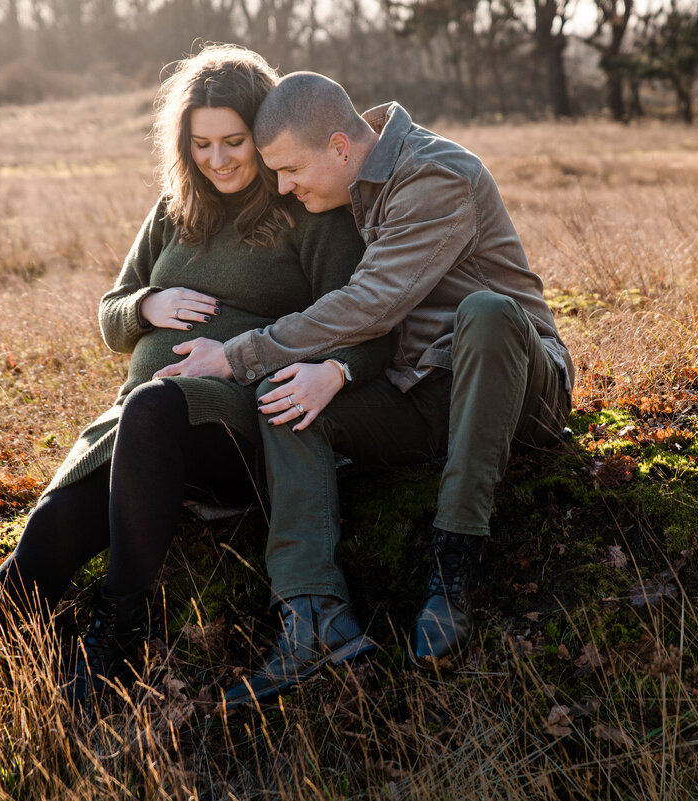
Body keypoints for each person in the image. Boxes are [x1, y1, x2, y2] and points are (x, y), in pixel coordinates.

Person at [0, 47, 386, 729]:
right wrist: (148, 305)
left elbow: (356, 320)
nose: (218, 159)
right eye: (201, 144)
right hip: (143, 423)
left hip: (237, 422)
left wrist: (250, 356)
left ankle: (120, 632)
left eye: (234, 141)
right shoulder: (176, 209)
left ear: (263, 132)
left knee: (152, 405)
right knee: (54, 525)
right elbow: (111, 314)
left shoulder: (306, 204)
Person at [152, 71, 574, 707]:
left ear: (341, 148)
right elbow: (359, 325)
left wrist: (237, 355)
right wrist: (329, 370)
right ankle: (313, 615)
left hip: (516, 387)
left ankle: (455, 559)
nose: (284, 187)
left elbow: (369, 305)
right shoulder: (348, 183)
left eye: (291, 170)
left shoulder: (437, 176)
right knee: (287, 396)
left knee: (484, 312)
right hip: (422, 392)